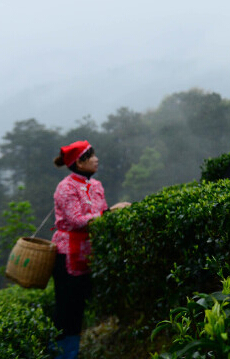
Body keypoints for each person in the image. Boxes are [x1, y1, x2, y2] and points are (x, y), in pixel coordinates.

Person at [51, 141, 129, 359]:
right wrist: (111, 212)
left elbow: (100, 213)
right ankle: (62, 354)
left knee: (81, 307)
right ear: (80, 162)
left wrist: (109, 214)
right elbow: (76, 220)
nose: (96, 159)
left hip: (90, 252)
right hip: (67, 255)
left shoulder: (96, 186)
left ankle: (72, 351)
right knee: (67, 310)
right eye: (92, 156)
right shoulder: (66, 187)